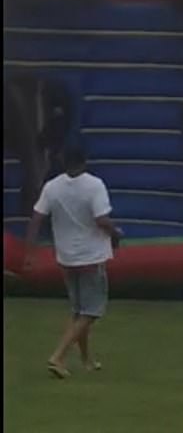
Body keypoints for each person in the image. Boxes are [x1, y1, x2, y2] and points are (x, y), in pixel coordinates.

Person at [23, 147, 122, 378]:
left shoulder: (52, 186)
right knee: (92, 311)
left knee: (79, 311)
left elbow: (37, 218)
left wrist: (29, 253)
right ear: (84, 162)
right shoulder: (94, 185)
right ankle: (57, 356)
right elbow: (101, 219)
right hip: (91, 255)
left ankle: (86, 359)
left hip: (66, 256)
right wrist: (116, 234)